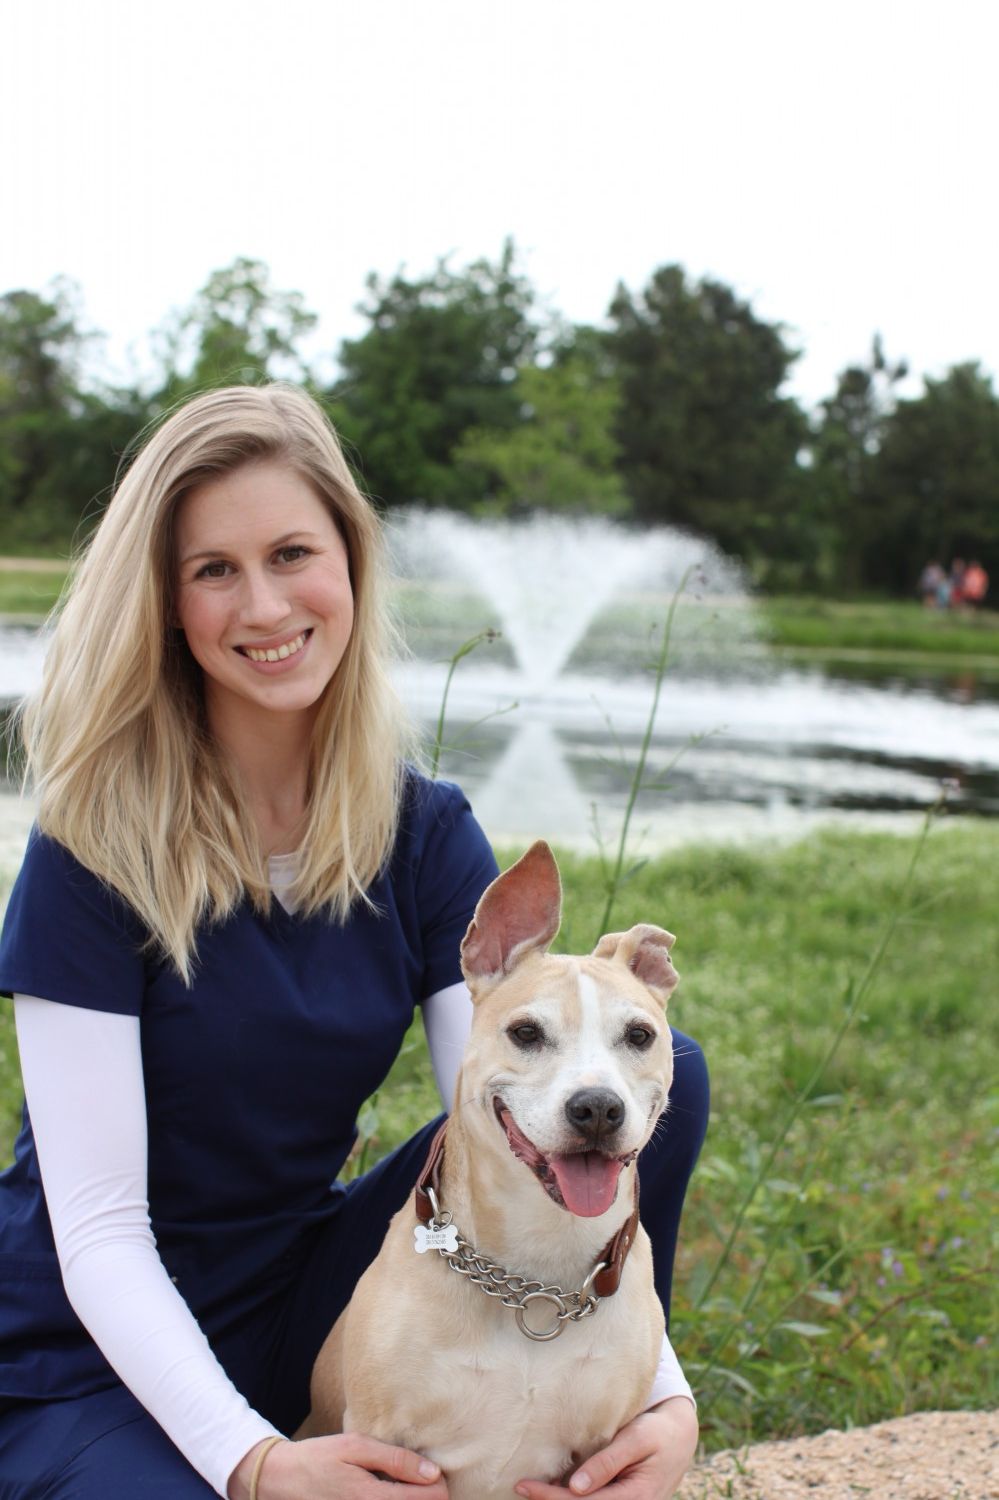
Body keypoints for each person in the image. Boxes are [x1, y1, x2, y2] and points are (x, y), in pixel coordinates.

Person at [0, 385, 709, 1500]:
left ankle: (590, 1410)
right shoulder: (89, 849)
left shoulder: (420, 834)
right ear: (165, 603)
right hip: (89, 1346)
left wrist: (665, 1403)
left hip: (306, 1297)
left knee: (633, 1075)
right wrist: (257, 1463)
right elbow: (96, 1230)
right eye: (213, 570)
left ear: (351, 561)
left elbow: (498, 1111)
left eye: (292, 552)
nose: (267, 603)